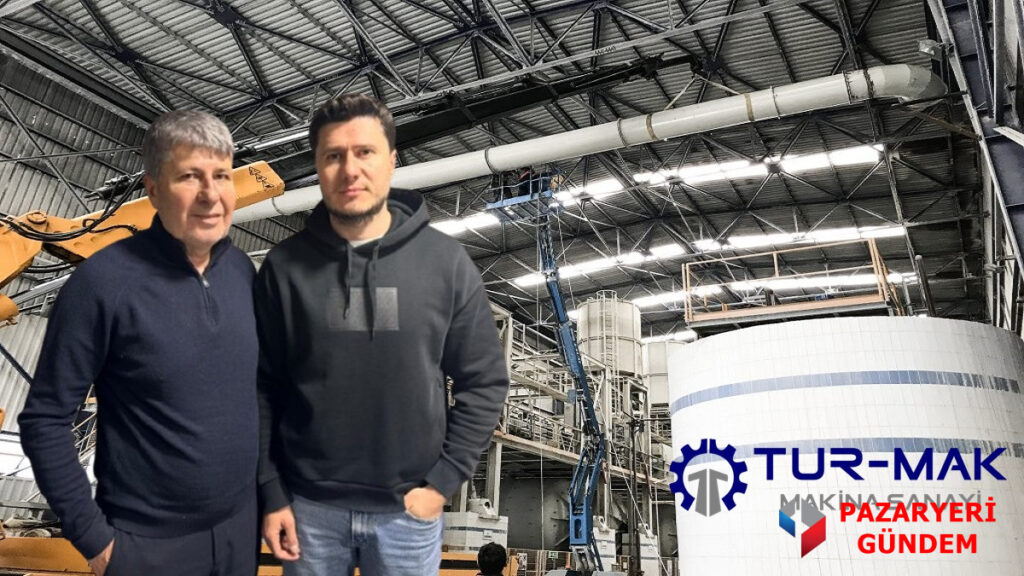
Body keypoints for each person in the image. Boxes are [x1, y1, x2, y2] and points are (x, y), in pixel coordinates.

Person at [256, 93, 509, 576]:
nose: (350, 169)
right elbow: (260, 385)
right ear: (318, 166)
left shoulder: (445, 263)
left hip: (408, 515)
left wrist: (442, 483)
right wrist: (270, 489)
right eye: (333, 155)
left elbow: (483, 381)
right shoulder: (285, 267)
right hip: (308, 509)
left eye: (365, 152)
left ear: (392, 160)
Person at [18, 110, 260, 576]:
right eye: (189, 176)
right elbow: (45, 419)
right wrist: (96, 541)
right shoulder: (102, 284)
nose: (211, 195)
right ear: (153, 189)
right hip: (146, 546)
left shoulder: (241, 273)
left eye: (222, 176)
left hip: (237, 535)